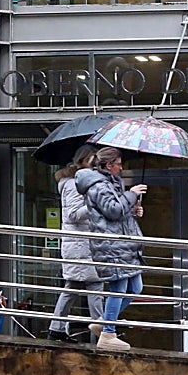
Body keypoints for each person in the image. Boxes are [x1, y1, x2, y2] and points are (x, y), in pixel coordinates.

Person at [76, 146, 147, 353]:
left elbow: (119, 212)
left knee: (136, 288)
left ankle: (105, 321)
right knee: (119, 288)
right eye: (118, 164)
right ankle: (108, 334)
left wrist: (133, 210)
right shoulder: (98, 185)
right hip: (112, 246)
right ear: (108, 165)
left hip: (122, 245)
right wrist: (132, 195)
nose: (121, 167)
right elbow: (113, 211)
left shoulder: (111, 183)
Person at [46, 144, 106, 343]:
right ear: (81, 161)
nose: (95, 164)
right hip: (79, 244)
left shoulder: (85, 184)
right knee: (84, 285)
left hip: (86, 244)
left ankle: (60, 328)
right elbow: (73, 215)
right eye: (92, 160)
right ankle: (101, 329)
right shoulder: (73, 185)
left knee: (84, 285)